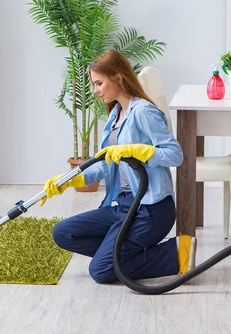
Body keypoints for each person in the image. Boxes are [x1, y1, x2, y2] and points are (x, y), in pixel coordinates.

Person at [41, 49, 196, 284]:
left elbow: (175, 155)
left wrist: (138, 151)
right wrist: (71, 179)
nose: (95, 90)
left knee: (100, 271)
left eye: (99, 83)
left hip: (149, 209)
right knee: (63, 232)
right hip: (122, 205)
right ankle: (116, 251)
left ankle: (175, 253)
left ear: (118, 77)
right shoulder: (115, 115)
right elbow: (106, 165)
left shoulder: (143, 111)